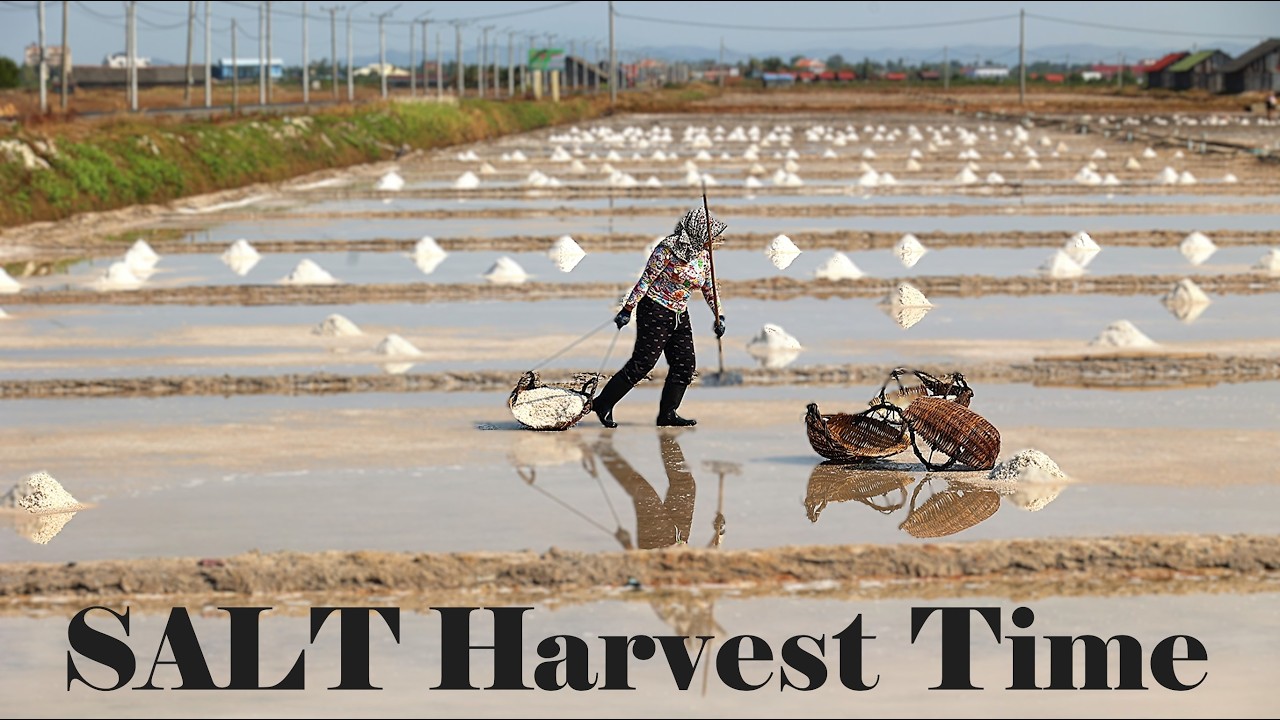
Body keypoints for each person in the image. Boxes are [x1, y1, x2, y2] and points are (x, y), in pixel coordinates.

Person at [593, 206, 727, 428]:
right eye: (709, 236)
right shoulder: (667, 249)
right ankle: (603, 403)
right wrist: (627, 309)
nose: (712, 241)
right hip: (655, 309)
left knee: (685, 365)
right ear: (697, 231)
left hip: (679, 313)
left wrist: (718, 315)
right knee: (643, 363)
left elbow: (709, 288)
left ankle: (668, 413)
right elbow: (645, 280)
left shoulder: (704, 257)